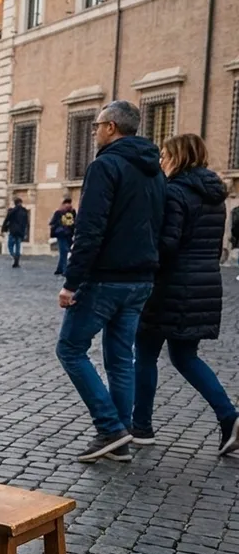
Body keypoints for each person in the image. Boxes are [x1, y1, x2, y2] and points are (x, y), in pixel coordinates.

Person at [56, 100, 165, 462]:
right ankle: (120, 441)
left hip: (105, 278)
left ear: (112, 127)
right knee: (121, 358)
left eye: (97, 125)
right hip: (141, 278)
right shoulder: (154, 170)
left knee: (70, 349)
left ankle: (110, 428)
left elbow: (90, 228)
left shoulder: (106, 166)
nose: (94, 131)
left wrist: (72, 282)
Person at [131, 134, 238, 456]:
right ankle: (229, 416)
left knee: (146, 353)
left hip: (171, 286)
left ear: (179, 157)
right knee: (184, 356)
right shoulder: (215, 196)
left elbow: (169, 243)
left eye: (165, 155)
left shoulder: (175, 192)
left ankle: (141, 427)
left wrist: (142, 258)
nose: (161, 161)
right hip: (204, 284)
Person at [50, 197, 77, 275]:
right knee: (64, 252)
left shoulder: (62, 212)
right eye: (67, 203)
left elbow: (53, 223)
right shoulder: (62, 213)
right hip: (63, 234)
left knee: (63, 252)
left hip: (65, 234)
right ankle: (63, 269)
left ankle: (61, 269)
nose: (68, 205)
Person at [2, 198, 29, 268]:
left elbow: (7, 219)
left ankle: (14, 256)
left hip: (13, 231)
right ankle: (16, 262)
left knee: (10, 245)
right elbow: (27, 223)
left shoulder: (12, 210)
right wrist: (25, 232)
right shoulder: (24, 211)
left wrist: (3, 228)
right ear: (21, 202)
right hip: (20, 232)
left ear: (15, 203)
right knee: (18, 247)